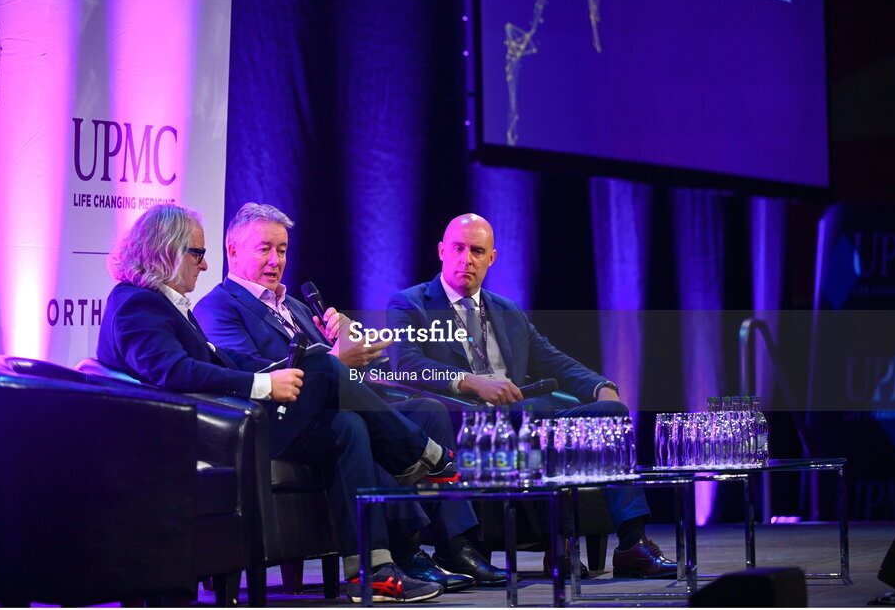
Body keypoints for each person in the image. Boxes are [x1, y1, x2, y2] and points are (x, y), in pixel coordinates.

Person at [97, 203, 456, 602]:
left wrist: (281, 370)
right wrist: (265, 383)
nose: (204, 265)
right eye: (198, 254)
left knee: (347, 426)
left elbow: (223, 360)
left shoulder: (167, 305)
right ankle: (425, 457)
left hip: (230, 424)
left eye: (282, 249)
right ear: (166, 250)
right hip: (209, 436)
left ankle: (371, 572)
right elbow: (173, 371)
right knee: (326, 367)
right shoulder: (137, 302)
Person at [193, 202, 505, 589]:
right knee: (356, 422)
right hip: (276, 422)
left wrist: (355, 348)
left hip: (325, 410)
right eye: (264, 249)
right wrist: (337, 358)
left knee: (427, 409)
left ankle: (453, 546)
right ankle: (408, 546)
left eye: (283, 249)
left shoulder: (295, 307)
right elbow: (254, 376)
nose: (276, 260)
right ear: (233, 250)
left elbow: (342, 374)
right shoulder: (218, 307)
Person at [386, 213, 677, 579]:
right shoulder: (410, 303)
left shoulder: (507, 311)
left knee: (610, 413)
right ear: (442, 251)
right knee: (536, 410)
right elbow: (406, 363)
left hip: (526, 416)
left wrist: (600, 386)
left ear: (491, 258)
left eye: (477, 251)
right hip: (467, 425)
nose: (466, 259)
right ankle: (560, 545)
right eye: (458, 249)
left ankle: (632, 543)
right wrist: (472, 382)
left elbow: (552, 358)